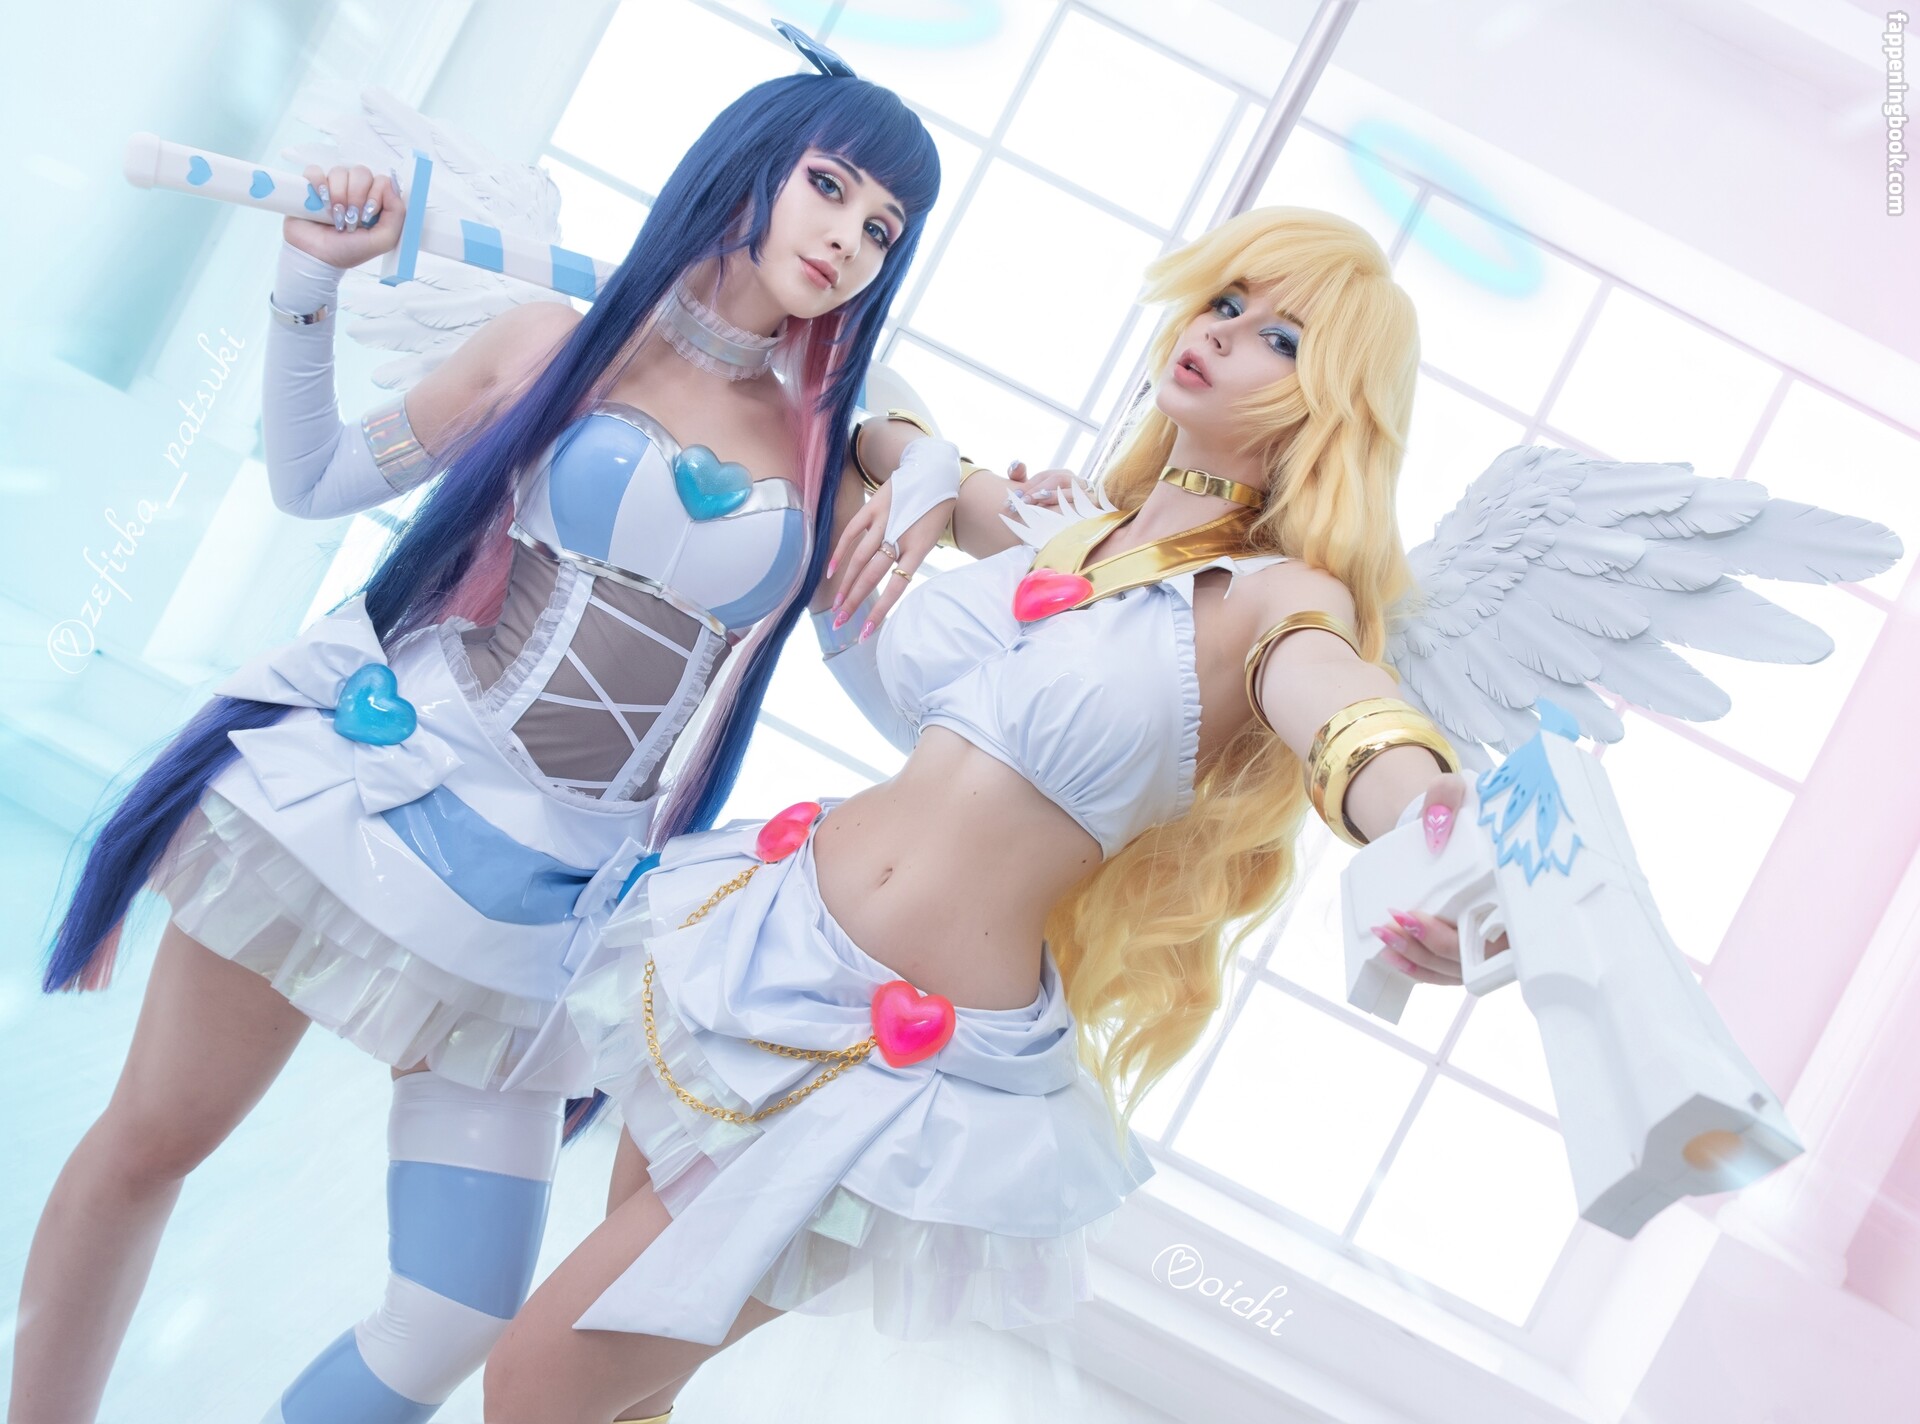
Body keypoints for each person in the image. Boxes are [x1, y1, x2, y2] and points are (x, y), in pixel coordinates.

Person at [11, 39, 944, 1424]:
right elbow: (315, 477)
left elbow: (910, 673)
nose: (849, 238)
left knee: (458, 1313)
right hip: (372, 800)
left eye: (884, 227)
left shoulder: (828, 452)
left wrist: (947, 491)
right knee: (151, 1142)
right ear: (753, 166)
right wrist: (310, 282)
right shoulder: (552, 345)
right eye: (830, 186)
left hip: (550, 910)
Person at [478, 205, 1491, 1424]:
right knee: (628, 1393)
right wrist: (914, 470)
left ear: (1327, 406)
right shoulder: (1064, 523)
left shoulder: (1274, 598)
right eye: (1226, 302)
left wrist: (1428, 825)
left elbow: (1346, 709)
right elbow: (878, 424)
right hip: (759, 940)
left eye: (1280, 338)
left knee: (536, 1381)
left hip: (897, 1068)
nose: (1225, 335)